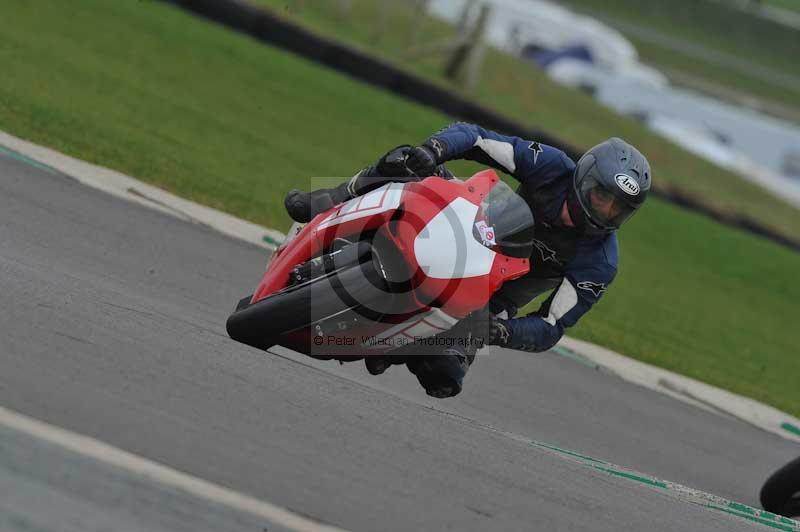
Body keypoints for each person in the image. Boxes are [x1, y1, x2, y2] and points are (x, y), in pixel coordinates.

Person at [284, 122, 651, 398]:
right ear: (584, 177)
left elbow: (551, 326)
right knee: (407, 161)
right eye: (602, 195)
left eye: (618, 207)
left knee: (443, 376)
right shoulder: (551, 166)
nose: (605, 210)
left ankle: (397, 345)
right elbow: (476, 138)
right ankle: (330, 199)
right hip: (467, 224)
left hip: (495, 295)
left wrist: (504, 332)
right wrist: (435, 149)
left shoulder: (600, 262)